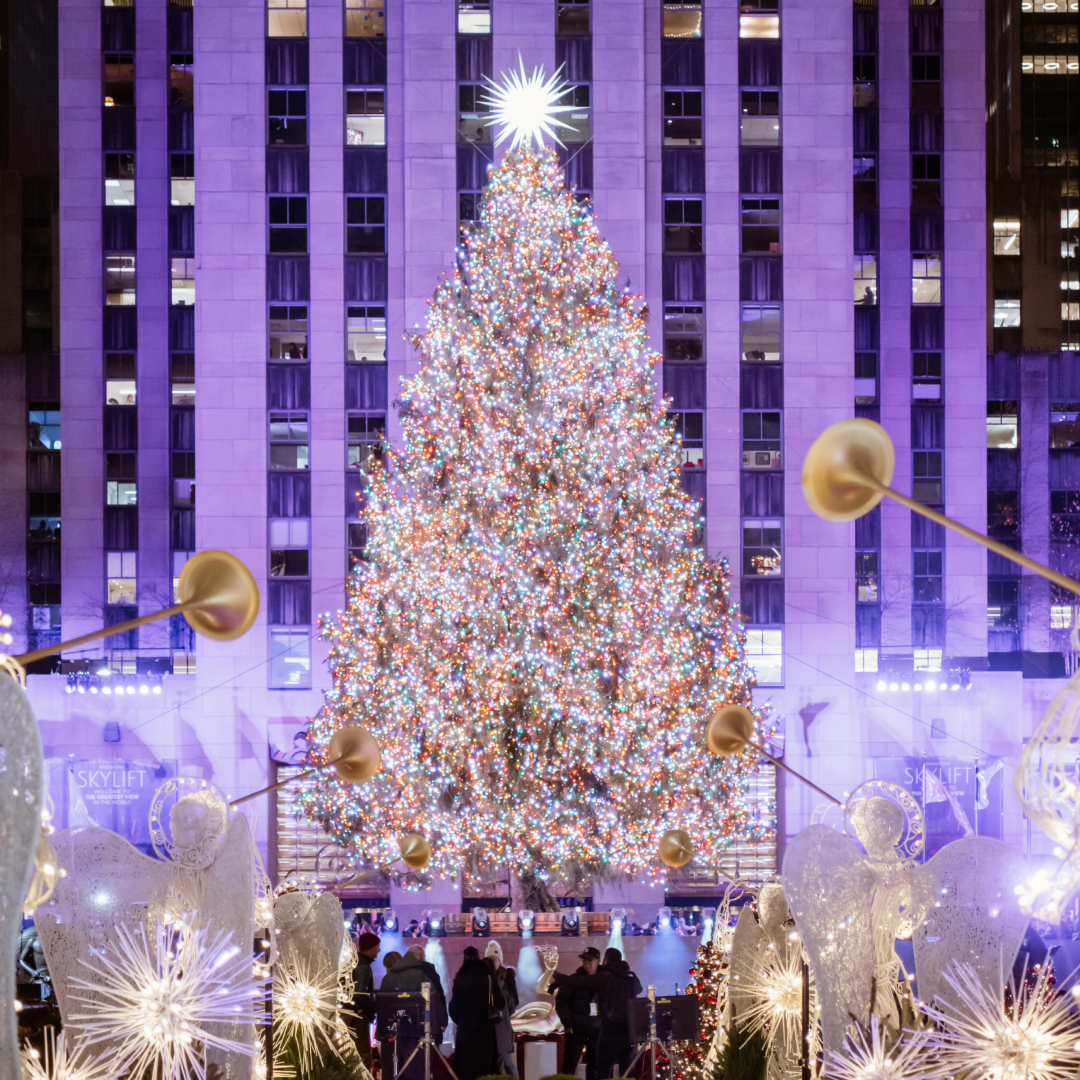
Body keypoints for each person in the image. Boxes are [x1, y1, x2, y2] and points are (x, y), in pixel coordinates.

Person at [381, 944, 449, 1080]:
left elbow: (383, 1004)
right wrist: (441, 1022)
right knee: (417, 1070)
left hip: (393, 1032)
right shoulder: (424, 973)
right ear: (421, 957)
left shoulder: (388, 977)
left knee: (397, 1070)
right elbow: (436, 998)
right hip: (418, 1031)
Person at [449, 948, 504, 1080]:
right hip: (486, 1028)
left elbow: (454, 1007)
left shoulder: (459, 980)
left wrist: (462, 1020)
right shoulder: (490, 979)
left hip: (466, 1029)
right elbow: (501, 1003)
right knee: (485, 1066)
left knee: (466, 1066)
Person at [551, 946, 601, 1080]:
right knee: (569, 1065)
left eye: (589, 959)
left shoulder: (604, 980)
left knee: (595, 1067)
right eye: (584, 960)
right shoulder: (573, 980)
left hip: (597, 1029)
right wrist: (567, 1023)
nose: (586, 962)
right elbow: (561, 1002)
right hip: (576, 1029)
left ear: (598, 960)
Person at [594, 947, 642, 1080]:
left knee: (602, 1068)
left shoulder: (604, 977)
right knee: (626, 1068)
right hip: (628, 1029)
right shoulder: (630, 976)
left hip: (609, 1027)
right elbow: (639, 990)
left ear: (606, 960)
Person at [485, 941, 519, 1077]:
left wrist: (501, 1013)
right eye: (490, 959)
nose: (493, 962)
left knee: (506, 1060)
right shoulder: (484, 977)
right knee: (496, 1062)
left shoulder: (506, 978)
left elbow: (513, 1003)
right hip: (489, 1026)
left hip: (502, 1024)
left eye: (495, 959)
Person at [352, 930, 381, 1067]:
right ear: (370, 947)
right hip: (358, 1016)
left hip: (350, 1015)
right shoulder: (364, 967)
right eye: (377, 947)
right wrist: (373, 1007)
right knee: (363, 1051)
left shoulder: (354, 962)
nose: (379, 950)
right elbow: (360, 994)